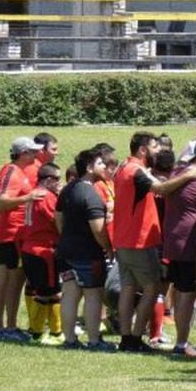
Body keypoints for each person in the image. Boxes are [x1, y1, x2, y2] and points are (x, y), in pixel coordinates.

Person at [113, 132, 196, 353]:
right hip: (139, 241)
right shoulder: (136, 171)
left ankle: (126, 338)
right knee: (152, 289)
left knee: (128, 288)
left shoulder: (123, 167)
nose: (159, 152)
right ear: (143, 150)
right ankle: (135, 338)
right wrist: (189, 175)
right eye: (155, 147)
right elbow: (161, 190)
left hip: (123, 239)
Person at [55, 149, 114, 351]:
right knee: (93, 294)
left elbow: (59, 219)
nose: (105, 167)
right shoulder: (91, 195)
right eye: (100, 164)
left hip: (65, 251)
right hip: (88, 254)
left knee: (70, 293)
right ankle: (94, 340)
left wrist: (68, 237)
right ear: (89, 168)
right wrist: (107, 247)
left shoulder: (68, 189)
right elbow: (98, 228)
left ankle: (70, 339)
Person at [162, 141, 196, 356]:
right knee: (187, 294)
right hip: (190, 242)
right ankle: (182, 344)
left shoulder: (176, 174)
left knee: (181, 290)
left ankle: (182, 343)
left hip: (173, 239)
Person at [0, 137, 45, 341]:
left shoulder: (15, 171)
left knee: (12, 281)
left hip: (15, 234)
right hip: (10, 234)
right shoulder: (13, 172)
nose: (36, 155)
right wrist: (28, 198)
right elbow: (3, 202)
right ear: (23, 154)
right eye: (32, 152)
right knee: (9, 281)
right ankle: (3, 327)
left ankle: (7, 326)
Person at [20, 163, 62, 341]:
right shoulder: (47, 197)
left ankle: (44, 330)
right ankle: (45, 332)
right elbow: (57, 220)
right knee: (50, 292)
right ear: (49, 180)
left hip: (29, 248)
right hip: (43, 251)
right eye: (57, 179)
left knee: (43, 290)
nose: (60, 183)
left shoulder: (34, 194)